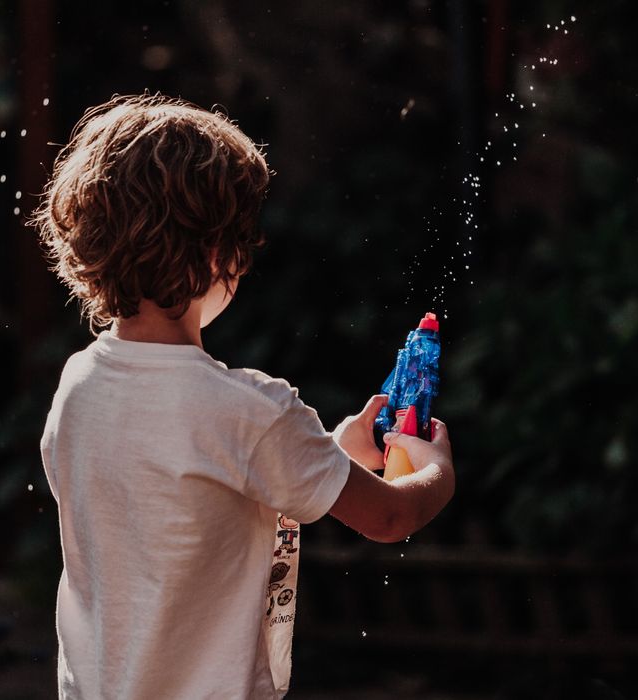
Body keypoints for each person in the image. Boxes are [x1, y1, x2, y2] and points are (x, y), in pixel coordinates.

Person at [31, 93, 455, 699]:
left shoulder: (79, 386)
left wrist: (330, 455)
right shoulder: (251, 412)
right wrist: (437, 470)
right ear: (216, 255)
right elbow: (389, 516)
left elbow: (192, 506)